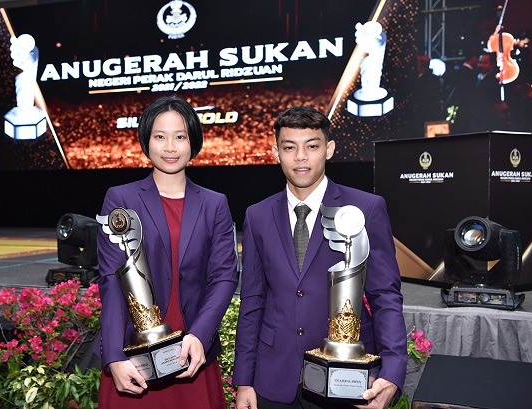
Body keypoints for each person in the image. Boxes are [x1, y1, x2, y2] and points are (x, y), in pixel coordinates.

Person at [233, 106, 407, 409]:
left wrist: (392, 371)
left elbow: (384, 295)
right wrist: (244, 381)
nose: (300, 157)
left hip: (347, 375)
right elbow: (252, 301)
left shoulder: (365, 208)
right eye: (290, 147)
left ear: (329, 149)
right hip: (274, 378)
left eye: (312, 146)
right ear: (276, 152)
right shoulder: (257, 215)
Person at [96, 95, 238, 408]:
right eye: (160, 137)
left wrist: (200, 336)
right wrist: (114, 356)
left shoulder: (215, 203)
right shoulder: (120, 199)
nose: (170, 147)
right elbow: (110, 280)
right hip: (133, 357)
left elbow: (224, 277)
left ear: (193, 142)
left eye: (180, 137)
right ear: (146, 141)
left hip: (192, 352)